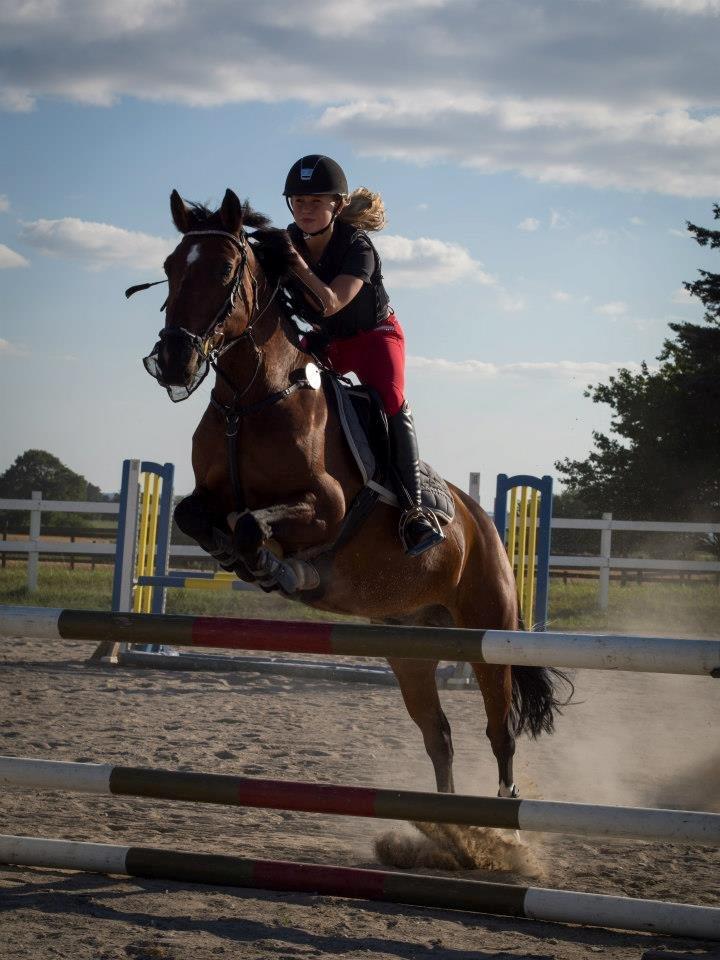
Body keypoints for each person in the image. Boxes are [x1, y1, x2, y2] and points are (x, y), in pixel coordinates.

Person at [282, 154, 444, 557]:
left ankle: (415, 511)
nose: (305, 209)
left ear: (336, 206)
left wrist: (292, 262)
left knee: (390, 400)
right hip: (327, 341)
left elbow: (333, 301)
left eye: (315, 201)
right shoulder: (288, 239)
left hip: (376, 338)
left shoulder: (358, 248)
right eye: (298, 201)